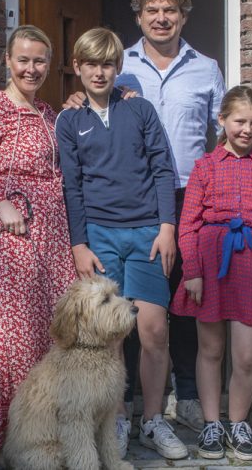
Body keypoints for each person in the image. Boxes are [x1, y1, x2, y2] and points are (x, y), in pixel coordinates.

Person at [64, 0, 252, 435]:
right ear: (139, 17)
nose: (161, 19)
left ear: (183, 16)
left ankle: (185, 396)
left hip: (193, 194)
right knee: (127, 305)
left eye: (170, 11)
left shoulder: (206, 67)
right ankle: (124, 402)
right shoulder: (121, 67)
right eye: (152, 11)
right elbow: (96, 103)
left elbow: (224, 127)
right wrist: (79, 98)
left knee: (185, 298)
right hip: (133, 202)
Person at [56, 27, 188, 460]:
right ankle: (115, 418)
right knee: (110, 335)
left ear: (119, 67)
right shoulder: (69, 120)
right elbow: (71, 187)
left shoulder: (141, 110)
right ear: (78, 67)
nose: (99, 72)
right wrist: (79, 244)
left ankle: (152, 420)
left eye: (107, 64)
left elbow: (163, 170)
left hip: (148, 233)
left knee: (153, 330)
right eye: (90, 64)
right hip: (100, 235)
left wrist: (167, 227)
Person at [0, 25, 76, 463]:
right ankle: (11, 441)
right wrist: (0, 202)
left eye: (40, 60)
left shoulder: (48, 114)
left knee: (51, 333)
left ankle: (45, 436)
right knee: (13, 338)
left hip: (51, 234)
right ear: (7, 61)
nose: (32, 68)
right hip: (9, 235)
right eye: (23, 59)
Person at [171, 86, 252, 461]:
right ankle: (211, 424)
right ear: (221, 120)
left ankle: (238, 424)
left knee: (245, 357)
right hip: (209, 267)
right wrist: (191, 270)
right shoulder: (205, 166)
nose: (248, 129)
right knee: (210, 350)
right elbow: (187, 224)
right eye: (240, 121)